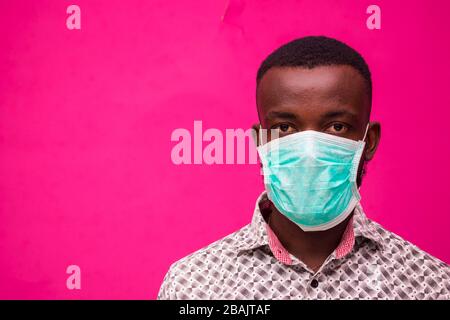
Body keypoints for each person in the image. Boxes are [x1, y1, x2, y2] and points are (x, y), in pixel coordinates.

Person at [158, 36, 450, 299]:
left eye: (336, 126)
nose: (310, 151)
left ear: (368, 141)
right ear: (261, 141)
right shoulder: (193, 287)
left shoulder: (430, 285)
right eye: (285, 127)